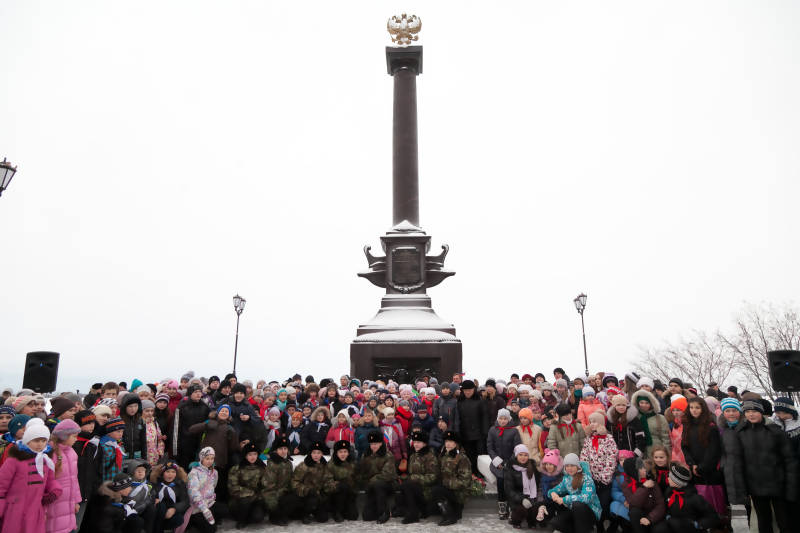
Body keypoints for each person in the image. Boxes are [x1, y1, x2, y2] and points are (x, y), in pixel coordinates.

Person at [730, 399, 798, 532]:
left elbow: (789, 461)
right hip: (756, 487)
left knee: (785, 522)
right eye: (748, 412)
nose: (751, 415)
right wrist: (742, 488)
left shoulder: (776, 432)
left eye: (754, 411)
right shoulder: (740, 432)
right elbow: (738, 463)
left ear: (761, 412)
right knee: (763, 523)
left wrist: (791, 487)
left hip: (778, 486)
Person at [0, 419, 61, 533]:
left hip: (35, 509)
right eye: (36, 440)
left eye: (43, 441)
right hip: (14, 510)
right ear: (27, 441)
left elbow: (50, 480)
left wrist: (55, 489)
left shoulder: (45, 460)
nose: (40, 444)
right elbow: (2, 485)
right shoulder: (15, 459)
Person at [681, 397, 725, 517]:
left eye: (697, 408)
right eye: (691, 407)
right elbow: (684, 446)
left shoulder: (711, 426)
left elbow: (713, 451)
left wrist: (701, 467)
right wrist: (692, 464)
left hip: (709, 470)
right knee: (699, 502)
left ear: (703, 409)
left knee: (713, 503)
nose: (694, 410)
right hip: (694, 469)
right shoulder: (687, 425)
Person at [651, 464, 720, 533]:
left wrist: (697, 524)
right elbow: (665, 507)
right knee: (658, 529)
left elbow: (713, 516)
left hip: (688, 528)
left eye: (670, 477)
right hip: (672, 524)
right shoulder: (669, 492)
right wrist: (667, 516)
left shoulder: (695, 498)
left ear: (677, 482)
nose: (667, 478)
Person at [580, 410, 618, 529]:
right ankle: (599, 525)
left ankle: (613, 521)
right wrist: (587, 474)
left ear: (601, 423)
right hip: (592, 479)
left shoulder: (609, 439)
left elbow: (611, 458)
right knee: (595, 504)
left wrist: (605, 477)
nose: (592, 424)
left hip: (604, 480)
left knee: (604, 503)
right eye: (590, 422)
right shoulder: (588, 439)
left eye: (594, 422)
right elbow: (584, 457)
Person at [547, 453, 601, 533]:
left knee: (577, 505)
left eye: (572, 465)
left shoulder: (586, 478)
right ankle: (581, 529)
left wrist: (564, 499)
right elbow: (555, 490)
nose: (569, 468)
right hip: (574, 511)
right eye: (567, 466)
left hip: (590, 511)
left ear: (578, 466)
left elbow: (586, 498)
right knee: (554, 523)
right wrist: (552, 493)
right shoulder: (566, 479)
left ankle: (584, 528)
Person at [45, 420, 82, 533]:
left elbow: (74, 480)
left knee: (67, 527)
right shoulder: (51, 453)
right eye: (74, 436)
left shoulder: (72, 453)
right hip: (54, 502)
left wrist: (76, 501)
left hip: (69, 501)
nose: (76, 439)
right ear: (64, 436)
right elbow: (46, 483)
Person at [397, 430, 439, 524]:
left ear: (424, 444)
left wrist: (416, 479)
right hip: (414, 487)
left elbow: (433, 476)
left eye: (418, 442)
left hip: (426, 489)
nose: (416, 444)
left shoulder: (430, 456)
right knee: (404, 487)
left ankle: (413, 514)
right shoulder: (412, 456)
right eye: (415, 442)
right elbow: (411, 474)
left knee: (408, 486)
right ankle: (415, 511)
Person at [431, 430, 472, 526]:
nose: (448, 444)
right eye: (446, 441)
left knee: (437, 490)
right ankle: (451, 511)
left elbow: (464, 481)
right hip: (447, 490)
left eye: (451, 441)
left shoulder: (462, 458)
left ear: (456, 444)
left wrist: (446, 482)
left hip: (459, 493)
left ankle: (450, 516)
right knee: (431, 507)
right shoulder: (443, 455)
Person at [487, 408, 522, 519]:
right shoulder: (492, 430)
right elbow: (489, 446)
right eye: (501, 419)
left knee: (510, 483)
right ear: (498, 419)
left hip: (510, 462)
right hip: (497, 463)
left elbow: (517, 448)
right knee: (501, 481)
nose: (503, 421)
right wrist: (496, 460)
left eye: (505, 419)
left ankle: (512, 506)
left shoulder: (514, 431)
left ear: (509, 419)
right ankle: (502, 505)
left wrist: (509, 462)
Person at [359, 430, 397, 523]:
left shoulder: (388, 455)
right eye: (372, 444)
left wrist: (371, 481)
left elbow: (387, 474)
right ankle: (379, 510)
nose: (374, 446)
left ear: (381, 443)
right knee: (367, 516)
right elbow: (362, 472)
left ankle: (384, 512)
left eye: (376, 443)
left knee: (378, 485)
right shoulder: (366, 455)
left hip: (388, 484)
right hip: (371, 486)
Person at [619, 456, 665, 533]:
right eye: (641, 468)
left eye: (644, 467)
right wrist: (644, 487)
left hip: (653, 515)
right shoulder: (626, 484)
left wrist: (650, 518)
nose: (644, 470)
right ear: (633, 471)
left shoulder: (650, 480)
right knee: (634, 512)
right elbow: (633, 503)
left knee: (658, 530)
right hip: (639, 516)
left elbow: (660, 504)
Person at [187, 447, 227, 532]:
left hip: (209, 502)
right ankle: (193, 523)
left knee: (225, 510)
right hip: (197, 506)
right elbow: (193, 492)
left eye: (212, 458)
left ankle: (208, 520)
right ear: (201, 459)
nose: (210, 461)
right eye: (207, 458)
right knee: (211, 530)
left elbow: (213, 486)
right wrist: (204, 509)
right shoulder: (194, 472)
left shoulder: (214, 472)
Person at [291, 441, 331, 523]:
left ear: (322, 454)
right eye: (314, 453)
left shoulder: (324, 465)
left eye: (318, 453)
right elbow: (294, 482)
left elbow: (328, 479)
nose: (316, 455)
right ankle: (305, 514)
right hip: (306, 496)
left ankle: (315, 511)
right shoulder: (304, 465)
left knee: (323, 518)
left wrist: (331, 486)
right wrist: (306, 490)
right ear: (310, 453)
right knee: (311, 499)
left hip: (318, 496)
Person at [456, 380, 488, 475]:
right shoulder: (460, 401)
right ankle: (472, 474)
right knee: (469, 456)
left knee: (479, 456)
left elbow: (485, 417)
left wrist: (485, 432)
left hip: (478, 435)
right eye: (465, 390)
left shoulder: (480, 400)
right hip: (465, 435)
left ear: (474, 390)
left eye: (469, 390)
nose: (467, 392)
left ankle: (480, 474)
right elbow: (458, 418)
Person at [505, 443, 539, 529]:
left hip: (531, 496)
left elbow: (537, 484)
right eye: (520, 455)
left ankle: (531, 522)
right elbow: (509, 490)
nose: (523, 457)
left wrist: (533, 498)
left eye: (525, 455)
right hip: (517, 498)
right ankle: (516, 521)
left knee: (535, 508)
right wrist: (522, 499)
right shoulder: (511, 469)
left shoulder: (532, 467)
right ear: (516, 455)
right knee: (521, 510)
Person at [628, 389, 670, 457]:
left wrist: (667, 454)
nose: (644, 405)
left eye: (647, 403)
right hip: (639, 453)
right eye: (641, 402)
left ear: (651, 404)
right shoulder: (634, 418)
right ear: (638, 403)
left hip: (657, 452)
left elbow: (666, 438)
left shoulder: (660, 418)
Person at [325, 439, 359, 522]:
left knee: (353, 516)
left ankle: (345, 509)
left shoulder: (353, 463)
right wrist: (339, 485)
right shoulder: (331, 464)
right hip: (336, 495)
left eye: (345, 451)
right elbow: (327, 483)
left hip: (349, 494)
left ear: (348, 452)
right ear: (336, 453)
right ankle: (336, 512)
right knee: (343, 486)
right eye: (340, 452)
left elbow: (357, 478)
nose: (343, 454)